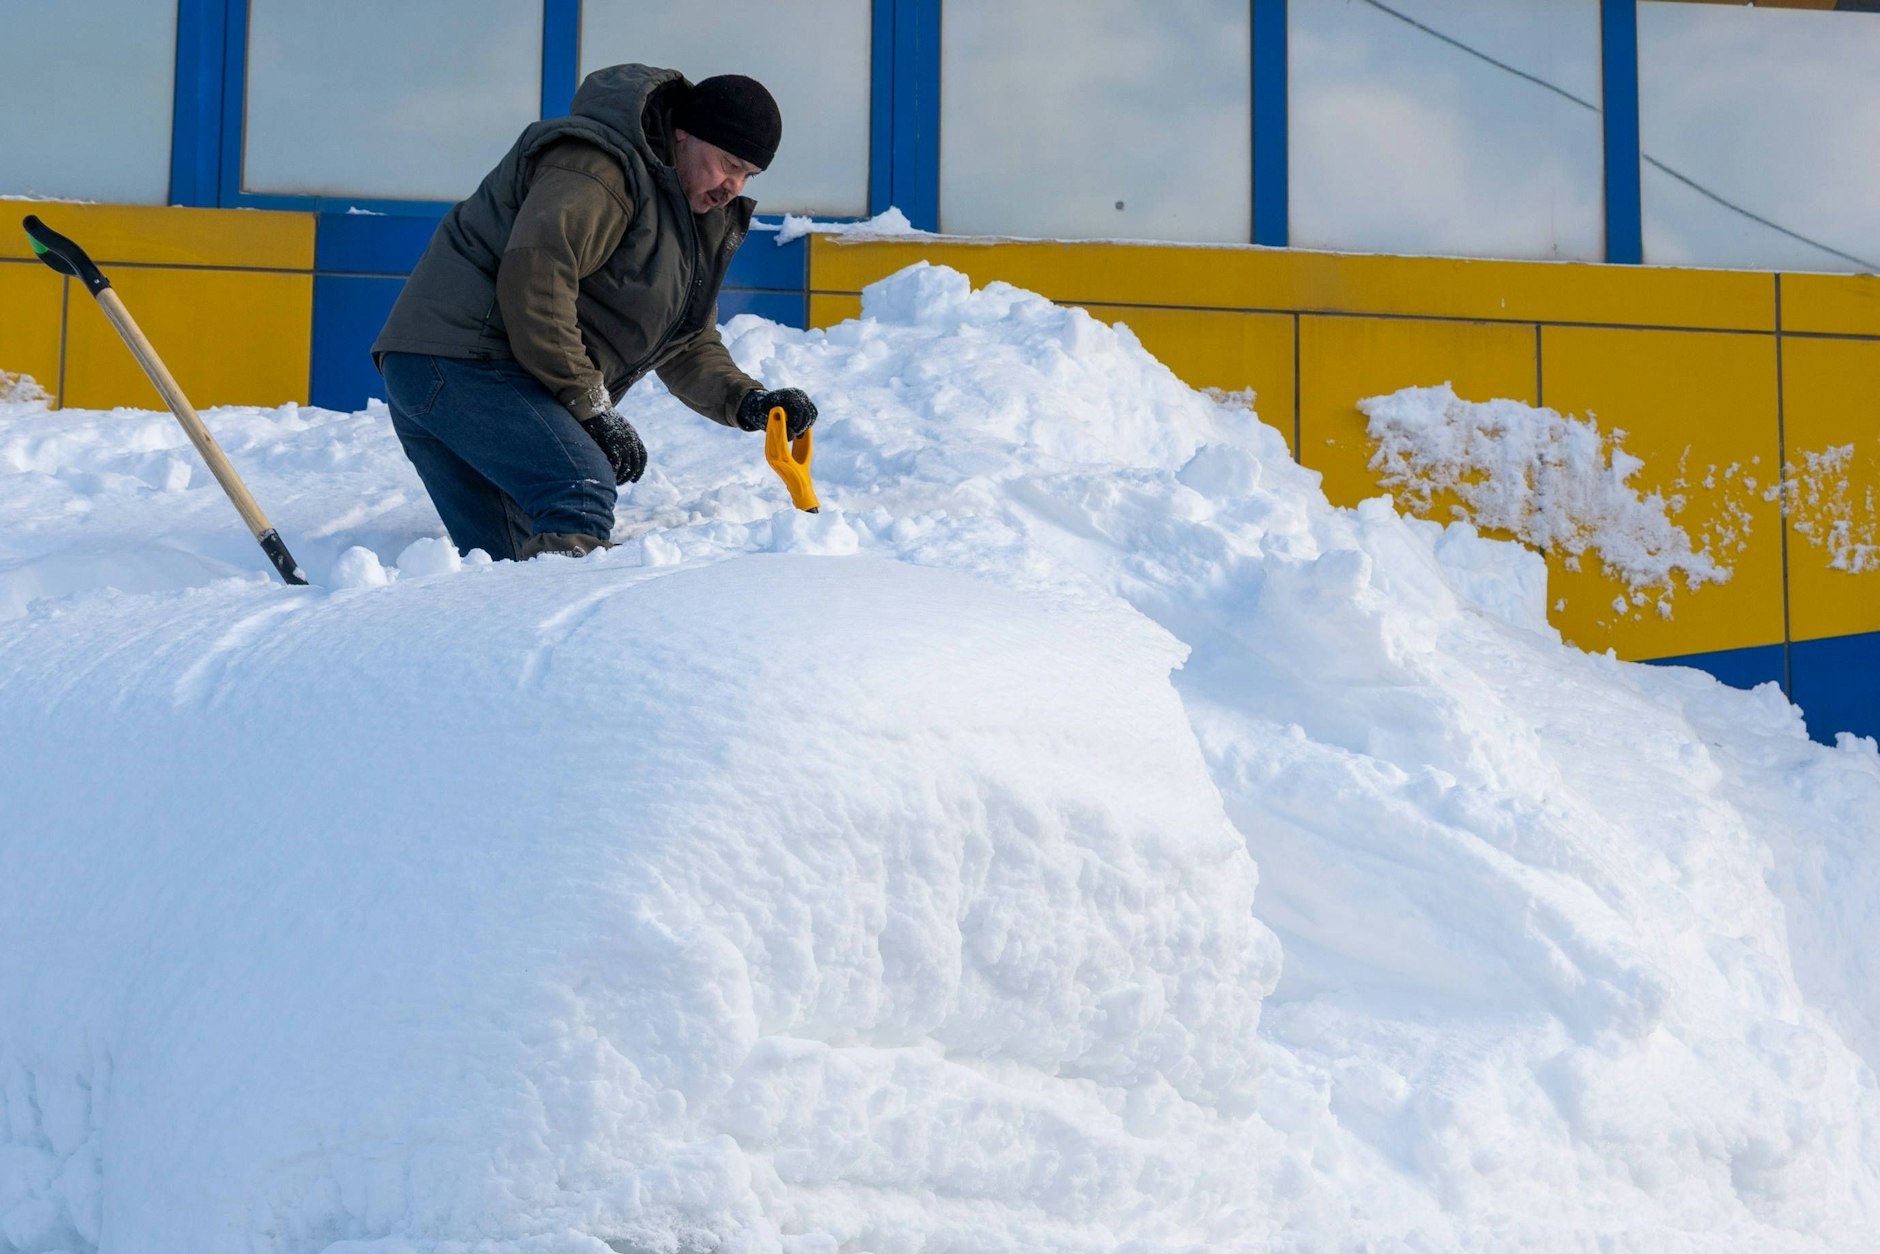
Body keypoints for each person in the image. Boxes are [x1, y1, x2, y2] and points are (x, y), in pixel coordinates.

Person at [372, 64, 819, 560]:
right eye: (727, 162)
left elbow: (685, 339)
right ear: (683, 135)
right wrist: (591, 405)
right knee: (579, 490)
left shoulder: (685, 217)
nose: (733, 185)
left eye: (748, 175)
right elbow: (537, 280)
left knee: (511, 562)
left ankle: (503, 634)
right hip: (459, 359)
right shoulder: (599, 170)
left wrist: (747, 401)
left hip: (465, 371)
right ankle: (578, 636)